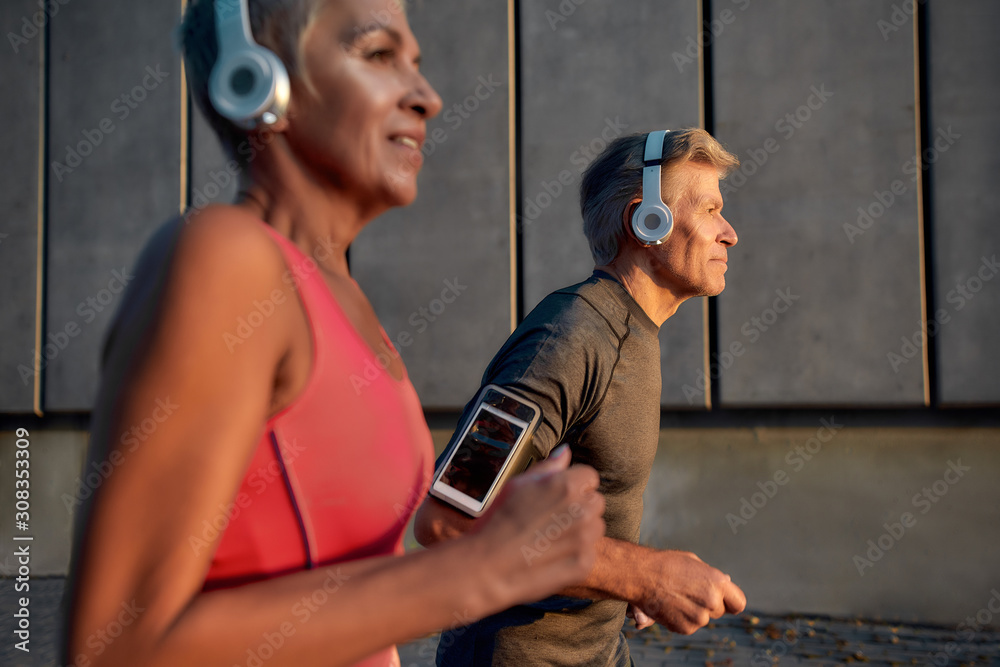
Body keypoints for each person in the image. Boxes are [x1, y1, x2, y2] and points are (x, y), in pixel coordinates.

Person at [62, 1, 607, 666]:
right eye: (379, 55)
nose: (428, 97)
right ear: (256, 79)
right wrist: (485, 569)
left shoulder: (340, 299)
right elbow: (114, 648)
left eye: (417, 64)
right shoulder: (227, 258)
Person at [415, 128, 749, 666]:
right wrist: (645, 576)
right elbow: (450, 517)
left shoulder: (631, 333)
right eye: (710, 210)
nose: (729, 233)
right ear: (647, 221)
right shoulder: (570, 338)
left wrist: (623, 584)